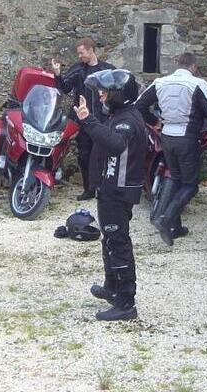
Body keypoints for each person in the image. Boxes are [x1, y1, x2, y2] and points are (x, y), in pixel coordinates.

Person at [74, 69, 146, 321]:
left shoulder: (128, 120)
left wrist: (87, 119)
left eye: (105, 92)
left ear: (119, 94)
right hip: (109, 189)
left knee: (118, 243)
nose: (101, 96)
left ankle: (126, 302)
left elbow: (115, 144)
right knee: (109, 239)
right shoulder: (119, 115)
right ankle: (112, 287)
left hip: (119, 191)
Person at [136, 52, 207, 246]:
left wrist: (155, 121)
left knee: (175, 177)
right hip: (187, 136)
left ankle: (177, 227)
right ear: (193, 67)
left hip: (166, 135)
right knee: (190, 185)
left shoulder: (160, 82)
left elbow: (139, 105)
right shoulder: (197, 84)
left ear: (178, 65)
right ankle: (166, 220)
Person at [51, 37, 114, 201]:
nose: (80, 56)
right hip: (84, 122)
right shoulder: (78, 70)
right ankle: (89, 189)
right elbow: (64, 87)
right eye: (78, 53)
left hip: (103, 121)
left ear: (91, 50)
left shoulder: (107, 70)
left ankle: (104, 188)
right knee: (84, 156)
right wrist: (57, 74)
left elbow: (119, 90)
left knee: (104, 157)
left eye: (81, 53)